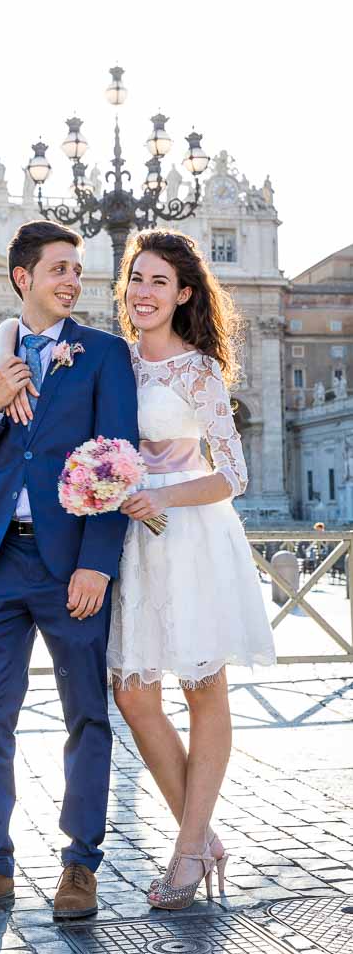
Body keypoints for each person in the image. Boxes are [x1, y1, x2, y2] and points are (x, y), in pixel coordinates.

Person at [0, 220, 138, 922]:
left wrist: (96, 565)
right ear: (24, 277)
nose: (71, 281)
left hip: (69, 567)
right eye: (58, 269)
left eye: (76, 270)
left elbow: (116, 462)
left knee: (85, 715)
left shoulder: (104, 356)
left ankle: (79, 864)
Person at [108, 228, 276, 910]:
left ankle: (186, 850)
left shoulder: (197, 370)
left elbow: (230, 475)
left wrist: (162, 494)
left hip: (191, 536)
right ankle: (201, 836)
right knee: (132, 694)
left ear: (182, 294)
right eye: (135, 280)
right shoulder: (109, 360)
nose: (143, 293)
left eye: (158, 283)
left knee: (202, 691)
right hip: (130, 543)